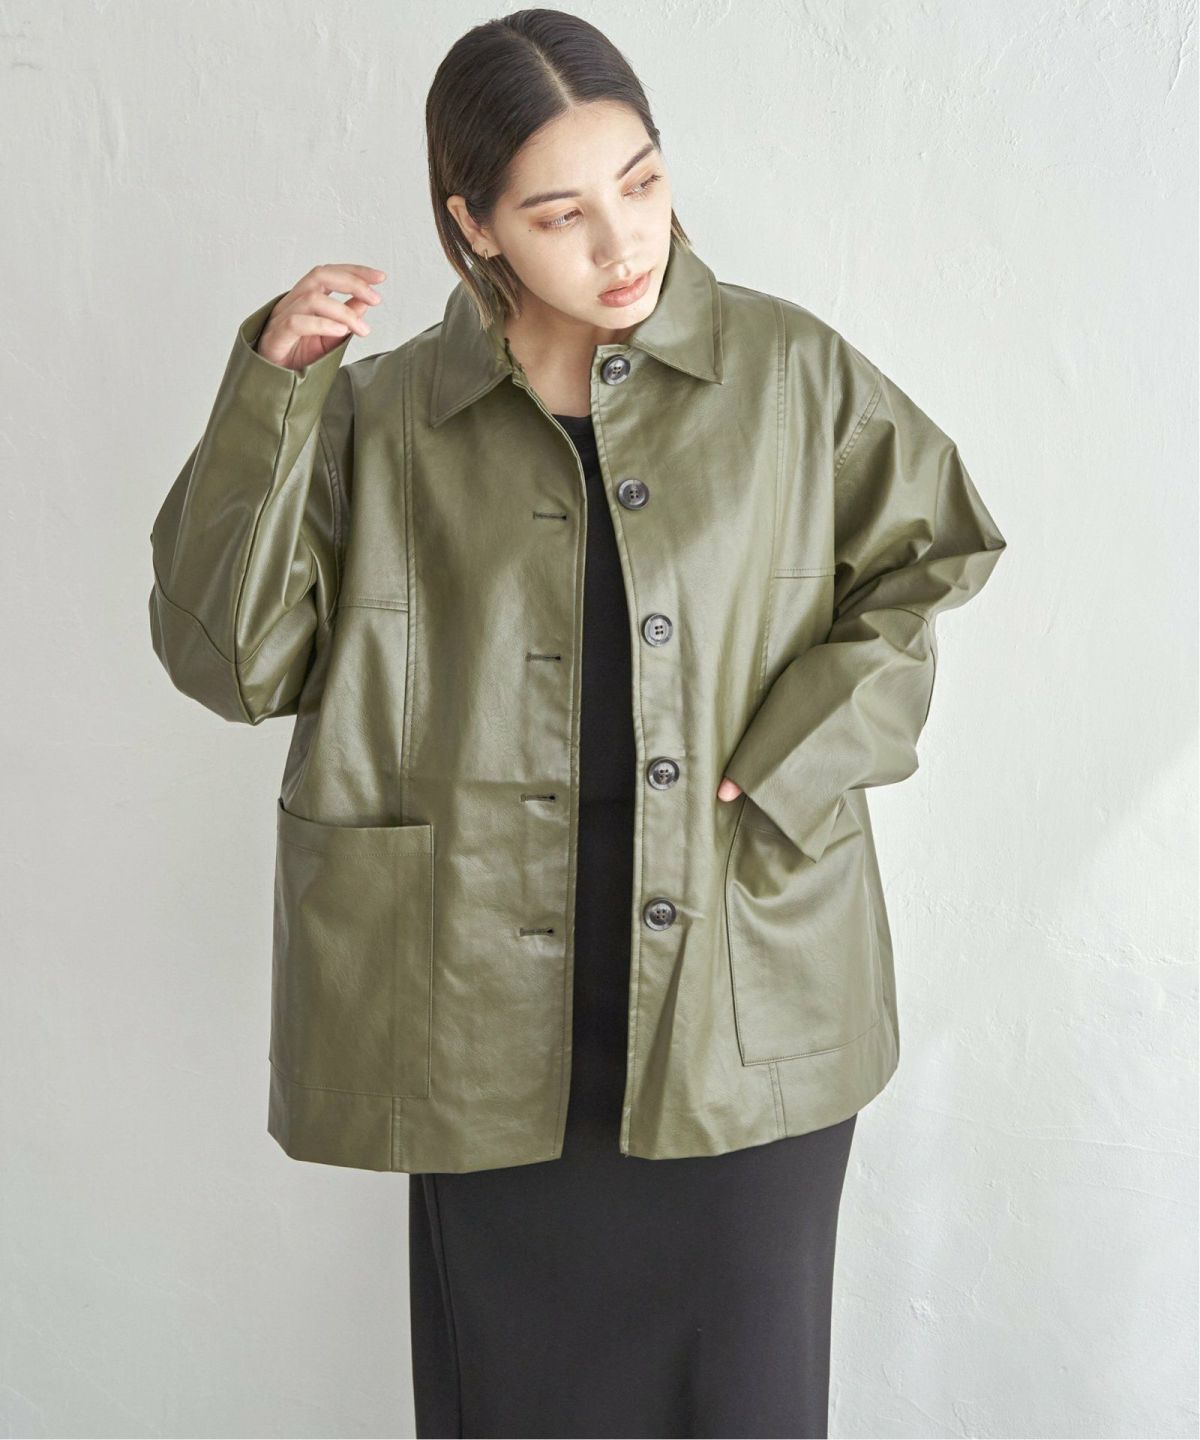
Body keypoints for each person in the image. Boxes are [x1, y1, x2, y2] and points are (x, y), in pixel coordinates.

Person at [149, 9, 1006, 1438]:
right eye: (561, 214)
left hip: (741, 974)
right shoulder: (382, 419)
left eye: (644, 183)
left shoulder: (790, 375)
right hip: (471, 1002)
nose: (624, 242)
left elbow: (936, 554)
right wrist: (275, 398)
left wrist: (799, 759)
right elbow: (226, 660)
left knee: (744, 1400)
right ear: (472, 224)